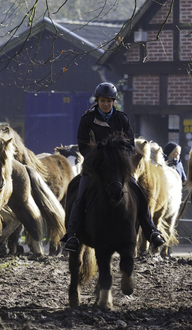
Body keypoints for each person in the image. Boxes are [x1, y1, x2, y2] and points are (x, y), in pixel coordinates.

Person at [61, 82, 166, 252]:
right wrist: (96, 159)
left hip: (118, 168)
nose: (106, 104)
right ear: (98, 101)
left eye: (109, 101)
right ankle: (72, 234)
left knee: (138, 193)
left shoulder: (122, 118)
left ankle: (151, 231)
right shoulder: (87, 119)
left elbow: (131, 145)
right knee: (79, 194)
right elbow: (83, 145)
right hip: (95, 167)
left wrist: (121, 158)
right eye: (103, 101)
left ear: (113, 102)